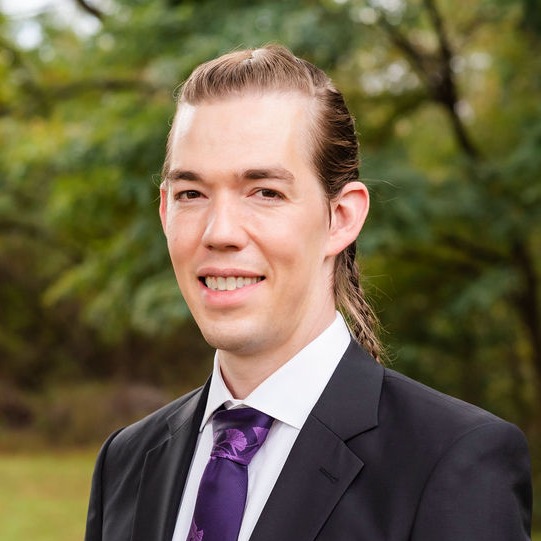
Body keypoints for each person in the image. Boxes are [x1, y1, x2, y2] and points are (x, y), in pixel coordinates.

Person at [84, 45, 532, 541]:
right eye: (192, 193)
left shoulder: (453, 461)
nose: (219, 232)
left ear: (341, 218)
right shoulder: (124, 462)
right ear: (165, 212)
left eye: (265, 192)